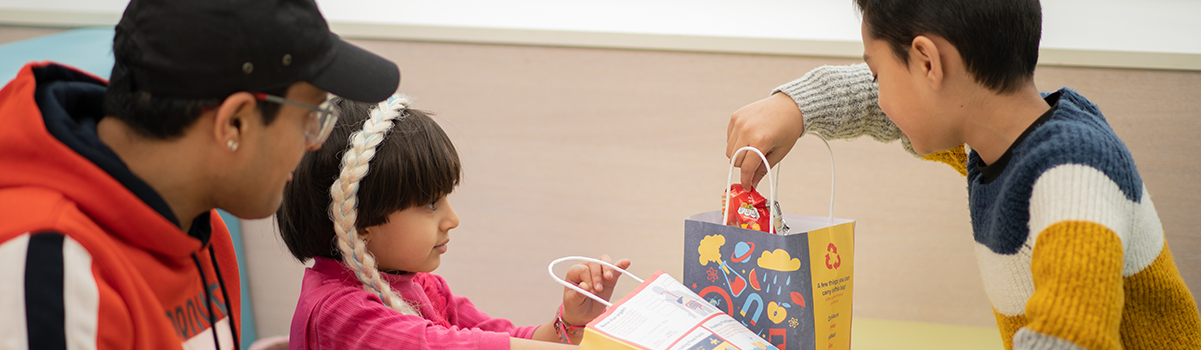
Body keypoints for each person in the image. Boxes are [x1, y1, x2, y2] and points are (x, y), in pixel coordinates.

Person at [725, 0, 1201, 349]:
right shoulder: (998, 140)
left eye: (877, 74)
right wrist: (794, 106)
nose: (879, 94)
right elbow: (882, 106)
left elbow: (1070, 339)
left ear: (929, 61)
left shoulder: (1074, 173)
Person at [0, 0, 400, 348]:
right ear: (235, 123)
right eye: (310, 117)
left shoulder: (202, 227)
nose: (314, 143)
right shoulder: (48, 263)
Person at [277, 95, 631, 349]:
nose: (452, 219)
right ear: (360, 223)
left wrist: (571, 320)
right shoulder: (337, 314)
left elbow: (505, 338)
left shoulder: (426, 287)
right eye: (431, 204)